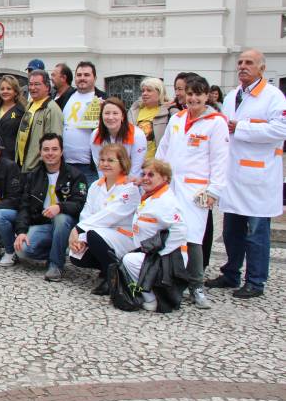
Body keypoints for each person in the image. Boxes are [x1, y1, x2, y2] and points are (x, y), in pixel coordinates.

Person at [209, 48, 286, 299]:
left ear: (261, 68)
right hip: (234, 175)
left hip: (258, 177)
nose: (242, 66)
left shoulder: (274, 97)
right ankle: (231, 273)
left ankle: (255, 280)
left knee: (256, 233)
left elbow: (279, 131)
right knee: (232, 231)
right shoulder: (233, 95)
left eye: (249, 62)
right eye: (240, 62)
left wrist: (241, 127)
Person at [156, 75, 228, 309]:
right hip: (172, 186)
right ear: (184, 95)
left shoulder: (216, 122)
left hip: (196, 189)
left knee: (193, 237)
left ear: (207, 96)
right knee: (170, 232)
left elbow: (220, 159)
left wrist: (213, 190)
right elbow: (163, 151)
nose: (193, 98)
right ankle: (171, 278)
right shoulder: (176, 119)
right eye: (190, 94)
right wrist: (157, 178)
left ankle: (196, 285)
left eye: (198, 94)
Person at [11, 133, 88, 281]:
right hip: (43, 224)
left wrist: (60, 207)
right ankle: (58, 251)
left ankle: (55, 265)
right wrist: (21, 231)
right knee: (22, 250)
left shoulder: (76, 175)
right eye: (46, 149)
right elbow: (24, 206)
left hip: (68, 225)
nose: (50, 153)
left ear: (61, 151)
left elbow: (80, 204)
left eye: (54, 149)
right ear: (40, 152)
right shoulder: (33, 176)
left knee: (61, 217)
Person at [68, 143, 142, 294]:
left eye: (110, 160)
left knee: (93, 236)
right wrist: (80, 237)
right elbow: (87, 212)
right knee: (76, 255)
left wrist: (78, 229)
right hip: (99, 233)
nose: (105, 164)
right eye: (102, 160)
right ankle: (107, 268)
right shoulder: (96, 185)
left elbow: (111, 214)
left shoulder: (130, 188)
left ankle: (114, 278)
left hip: (123, 235)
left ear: (122, 164)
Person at [120, 158, 190, 313]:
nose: (145, 178)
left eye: (151, 175)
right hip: (152, 252)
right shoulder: (150, 196)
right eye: (144, 174)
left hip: (172, 257)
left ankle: (150, 298)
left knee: (129, 260)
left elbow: (180, 230)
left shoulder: (166, 201)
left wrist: (158, 255)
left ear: (164, 178)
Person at [60, 62, 105, 184]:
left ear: (94, 78)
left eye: (86, 75)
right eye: (79, 75)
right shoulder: (67, 95)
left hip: (90, 167)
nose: (82, 78)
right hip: (65, 163)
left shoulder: (103, 99)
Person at [15, 70, 63, 173]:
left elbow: (54, 143)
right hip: (23, 166)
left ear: (47, 87)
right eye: (30, 84)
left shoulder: (52, 109)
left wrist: (42, 167)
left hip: (37, 170)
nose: (32, 88)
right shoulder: (30, 104)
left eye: (37, 84)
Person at [90, 97, 148, 179]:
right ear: (101, 116)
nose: (110, 117)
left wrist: (125, 187)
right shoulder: (95, 135)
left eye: (115, 113)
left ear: (122, 116)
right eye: (107, 113)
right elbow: (100, 166)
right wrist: (105, 185)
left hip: (131, 181)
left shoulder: (137, 135)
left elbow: (136, 168)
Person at [127, 77, 170, 160]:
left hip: (156, 163)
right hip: (135, 162)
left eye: (149, 90)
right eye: (143, 91)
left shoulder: (168, 112)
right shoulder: (134, 111)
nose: (144, 93)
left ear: (159, 92)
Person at [0, 75, 25, 162]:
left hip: (12, 157)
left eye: (8, 89)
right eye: (2, 89)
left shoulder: (22, 110)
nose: (5, 91)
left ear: (15, 92)